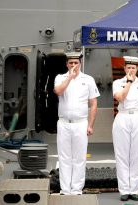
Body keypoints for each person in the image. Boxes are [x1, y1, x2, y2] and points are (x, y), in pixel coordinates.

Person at [54, 52, 100, 195]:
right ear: (66, 64)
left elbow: (93, 103)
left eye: (76, 63)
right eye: (70, 63)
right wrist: (70, 77)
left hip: (80, 123)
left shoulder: (88, 79)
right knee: (64, 157)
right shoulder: (60, 78)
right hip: (63, 123)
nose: (73, 66)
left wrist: (90, 125)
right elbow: (58, 91)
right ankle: (65, 189)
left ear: (80, 63)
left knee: (79, 157)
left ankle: (77, 189)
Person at [112, 56, 138, 201]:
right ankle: (124, 190)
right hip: (122, 117)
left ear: (137, 69)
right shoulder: (118, 83)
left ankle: (134, 189)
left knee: (136, 155)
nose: (130, 70)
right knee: (122, 155)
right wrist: (128, 83)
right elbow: (120, 98)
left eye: (133, 68)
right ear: (124, 69)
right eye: (128, 68)